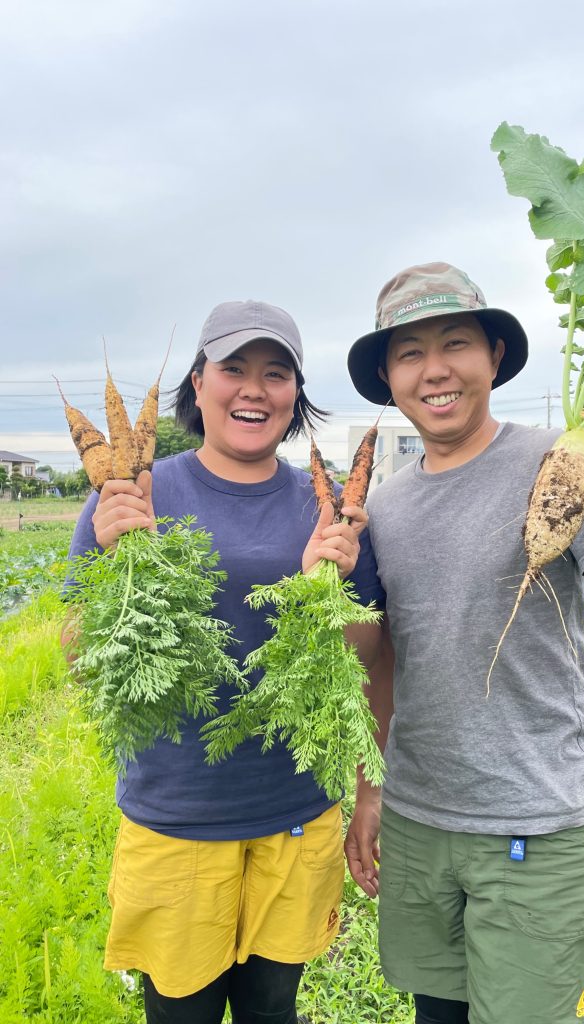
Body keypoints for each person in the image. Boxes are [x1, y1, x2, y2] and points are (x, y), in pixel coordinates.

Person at [343, 262, 584, 1024]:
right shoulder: (385, 505)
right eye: (409, 354)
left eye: (456, 344)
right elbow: (389, 659)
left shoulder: (564, 462)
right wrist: (372, 790)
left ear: (494, 357)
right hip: (419, 821)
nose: (435, 370)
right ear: (387, 375)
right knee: (437, 1013)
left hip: (534, 827)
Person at [63, 300, 383, 1024]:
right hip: (176, 815)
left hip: (296, 810)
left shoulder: (330, 504)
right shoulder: (131, 492)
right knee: (181, 1011)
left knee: (274, 1009)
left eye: (276, 374)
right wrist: (118, 565)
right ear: (198, 384)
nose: (253, 389)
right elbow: (81, 655)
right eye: (233, 368)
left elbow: (364, 659)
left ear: (294, 398)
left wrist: (320, 596)